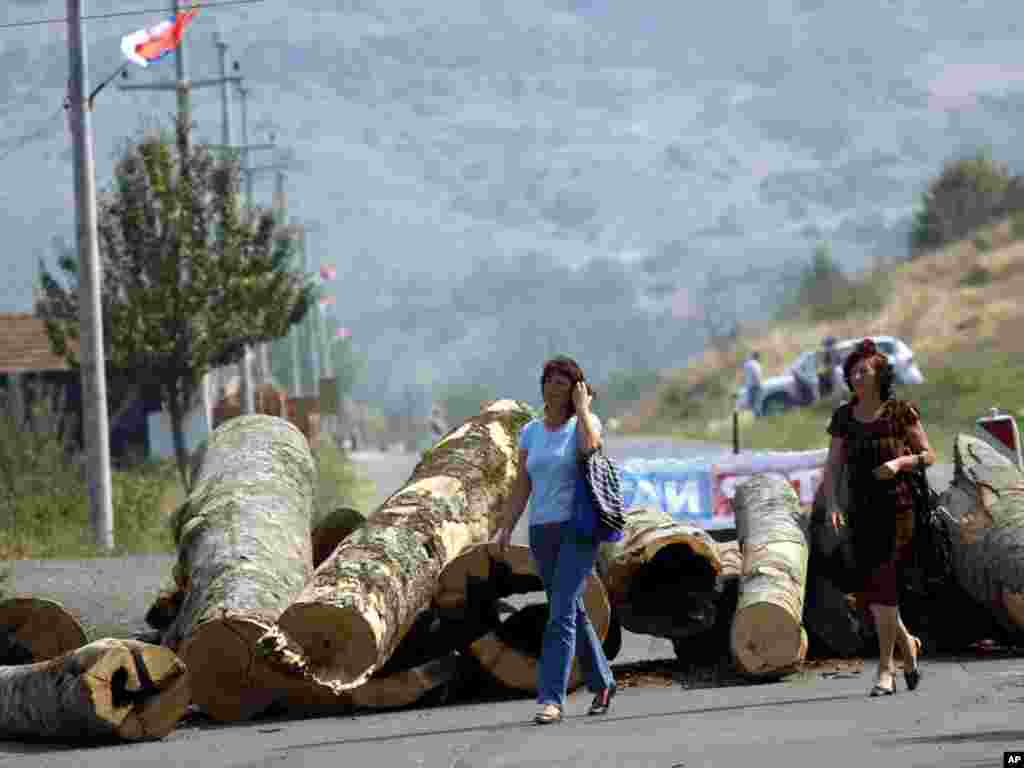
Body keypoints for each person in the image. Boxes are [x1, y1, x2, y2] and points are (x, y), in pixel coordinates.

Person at [494, 356, 616, 725]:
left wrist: (582, 410)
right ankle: (604, 682)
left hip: (578, 529)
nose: (554, 387)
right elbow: (521, 485)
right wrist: (505, 526)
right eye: (549, 379)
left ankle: (551, 699)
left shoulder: (586, 423)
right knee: (572, 610)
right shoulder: (531, 432)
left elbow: (590, 449)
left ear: (575, 388)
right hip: (542, 531)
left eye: (563, 382)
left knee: (559, 613)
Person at [821, 338, 935, 696]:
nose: (856, 375)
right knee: (874, 593)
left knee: (884, 588)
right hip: (859, 511)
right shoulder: (844, 416)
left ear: (880, 374)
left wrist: (900, 462)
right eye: (852, 370)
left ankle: (886, 669)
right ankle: (909, 646)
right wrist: (833, 504)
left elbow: (928, 455)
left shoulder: (901, 412)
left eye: (863, 370)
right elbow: (834, 465)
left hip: (898, 509)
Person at [743, 351, 764, 416]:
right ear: (757, 357)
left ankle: (754, 414)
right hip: (756, 385)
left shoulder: (747, 364)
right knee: (758, 402)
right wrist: (759, 384)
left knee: (751, 402)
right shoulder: (756, 364)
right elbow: (756, 374)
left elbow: (746, 375)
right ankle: (758, 415)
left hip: (749, 385)